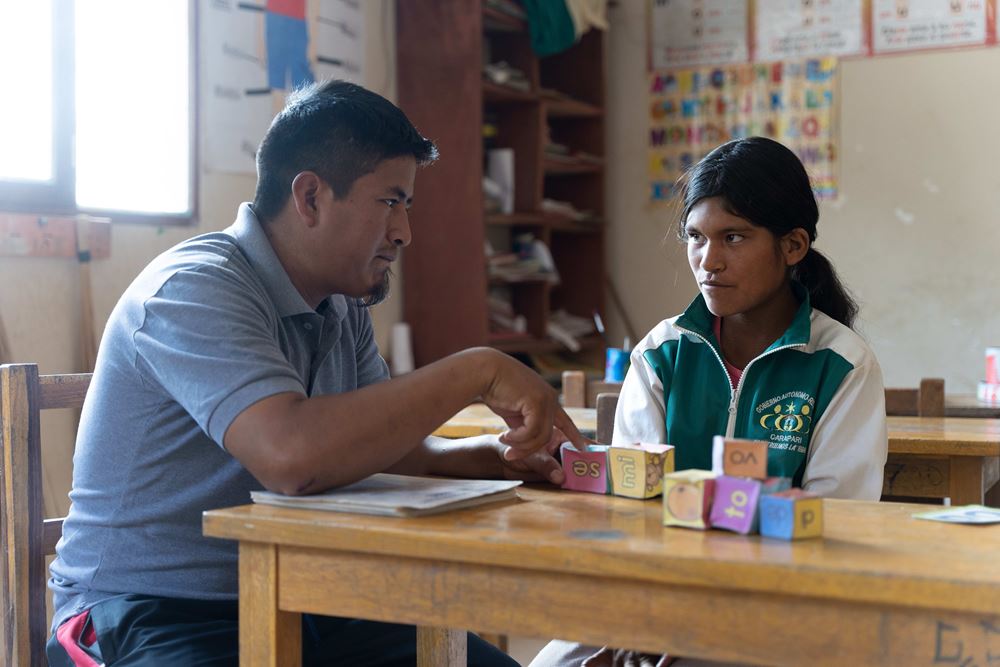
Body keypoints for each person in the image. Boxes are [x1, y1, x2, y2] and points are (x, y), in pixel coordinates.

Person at [47, 79, 586, 667]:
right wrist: (476, 371)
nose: (404, 231)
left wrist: (496, 458)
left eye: (407, 206)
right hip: (146, 612)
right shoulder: (193, 288)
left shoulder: (341, 304)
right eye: (390, 202)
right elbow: (293, 460)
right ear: (309, 197)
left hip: (299, 598)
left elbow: (381, 450)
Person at [530, 136, 888, 667]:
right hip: (657, 590)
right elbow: (631, 504)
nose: (708, 261)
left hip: (782, 605)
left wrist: (696, 624)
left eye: (734, 237)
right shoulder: (661, 352)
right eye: (695, 237)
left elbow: (835, 520)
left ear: (793, 246)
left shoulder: (841, 364)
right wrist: (646, 614)